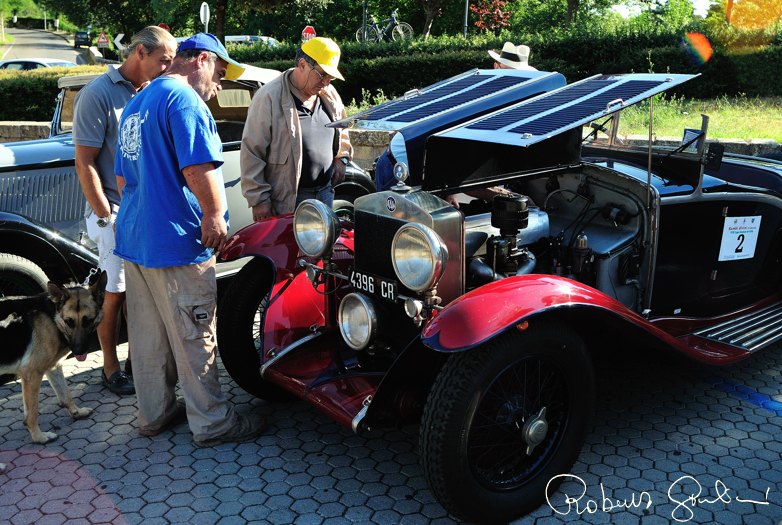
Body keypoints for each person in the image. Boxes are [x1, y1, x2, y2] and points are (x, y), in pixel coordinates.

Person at [114, 33, 265, 446]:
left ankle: (155, 414)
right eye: (219, 72)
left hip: (136, 240)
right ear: (201, 59)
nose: (219, 85)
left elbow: (123, 178)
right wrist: (215, 214)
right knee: (195, 334)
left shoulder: (136, 103)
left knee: (149, 338)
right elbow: (198, 166)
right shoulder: (183, 100)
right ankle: (213, 423)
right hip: (177, 243)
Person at [73, 26, 177, 396]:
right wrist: (105, 216)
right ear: (140, 52)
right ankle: (110, 369)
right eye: (164, 60)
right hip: (113, 212)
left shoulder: (151, 92)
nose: (168, 68)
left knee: (141, 293)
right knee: (114, 292)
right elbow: (84, 162)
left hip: (143, 211)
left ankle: (140, 361)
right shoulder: (97, 93)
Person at [240, 37, 353, 221]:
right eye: (322, 74)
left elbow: (344, 127)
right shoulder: (269, 97)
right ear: (302, 64)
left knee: (322, 249)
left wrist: (341, 158)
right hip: (288, 200)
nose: (326, 82)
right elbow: (252, 151)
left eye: (330, 77)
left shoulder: (330, 93)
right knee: (288, 250)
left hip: (325, 193)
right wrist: (259, 199)